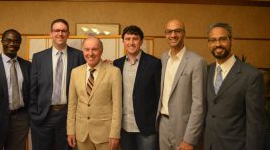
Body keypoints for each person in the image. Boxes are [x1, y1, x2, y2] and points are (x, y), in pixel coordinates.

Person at [204, 22, 265, 150]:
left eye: (222, 39)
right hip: (209, 145)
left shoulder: (251, 75)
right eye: (213, 40)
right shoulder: (206, 71)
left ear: (232, 41)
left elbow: (255, 123)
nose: (218, 44)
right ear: (209, 43)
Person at [29, 18, 85, 150]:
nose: (60, 34)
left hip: (68, 117)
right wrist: (34, 113)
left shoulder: (79, 56)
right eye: (56, 30)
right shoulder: (39, 57)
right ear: (51, 33)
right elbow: (33, 89)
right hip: (43, 116)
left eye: (63, 31)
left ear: (68, 34)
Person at [157, 19, 207, 150]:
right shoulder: (163, 58)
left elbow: (199, 104)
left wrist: (190, 138)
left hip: (184, 127)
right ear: (165, 34)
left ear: (184, 34)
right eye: (169, 32)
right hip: (163, 123)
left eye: (177, 31)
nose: (173, 35)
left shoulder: (197, 62)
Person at [67, 37, 122, 150]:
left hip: (106, 135)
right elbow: (72, 105)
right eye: (87, 49)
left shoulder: (114, 72)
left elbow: (117, 106)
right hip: (82, 134)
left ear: (101, 51)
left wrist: (115, 133)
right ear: (83, 51)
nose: (90, 53)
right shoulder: (75, 72)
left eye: (94, 49)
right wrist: (70, 131)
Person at [113, 25, 161, 150]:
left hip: (146, 127)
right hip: (124, 127)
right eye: (128, 39)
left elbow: (159, 95)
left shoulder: (154, 63)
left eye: (135, 39)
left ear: (141, 41)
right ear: (123, 42)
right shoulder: (116, 64)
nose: (131, 42)